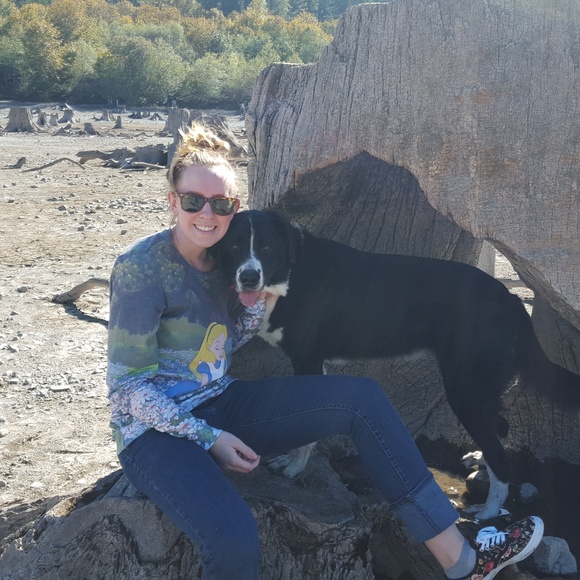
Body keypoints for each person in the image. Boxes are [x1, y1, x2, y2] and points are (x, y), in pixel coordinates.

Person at [106, 124, 544, 580]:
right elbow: (126, 390)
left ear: (234, 210)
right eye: (193, 200)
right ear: (172, 200)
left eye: (220, 204)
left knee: (361, 398)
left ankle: (463, 560)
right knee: (234, 537)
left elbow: (220, 344)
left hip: (220, 402)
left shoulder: (226, 261)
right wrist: (208, 437)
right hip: (152, 433)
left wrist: (260, 303)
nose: (206, 213)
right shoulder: (141, 268)